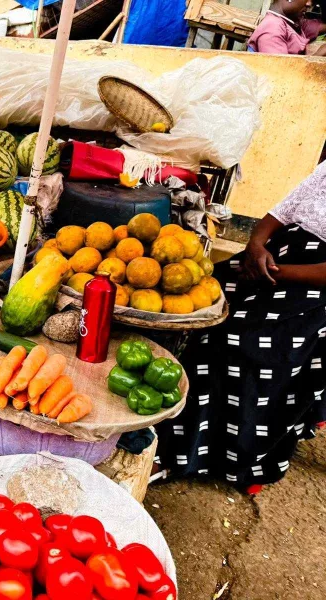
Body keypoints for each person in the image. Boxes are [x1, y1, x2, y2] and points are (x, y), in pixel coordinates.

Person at [155, 161, 326, 494]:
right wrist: (256, 246)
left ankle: (194, 455)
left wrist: (275, 271)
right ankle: (164, 424)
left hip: (313, 292)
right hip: (271, 260)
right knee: (200, 304)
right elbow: (283, 210)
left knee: (239, 343)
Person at [247, 0, 326, 56]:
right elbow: (280, 73)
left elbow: (318, 26)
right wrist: (318, 55)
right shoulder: (273, 28)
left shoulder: (292, 22)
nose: (309, 4)